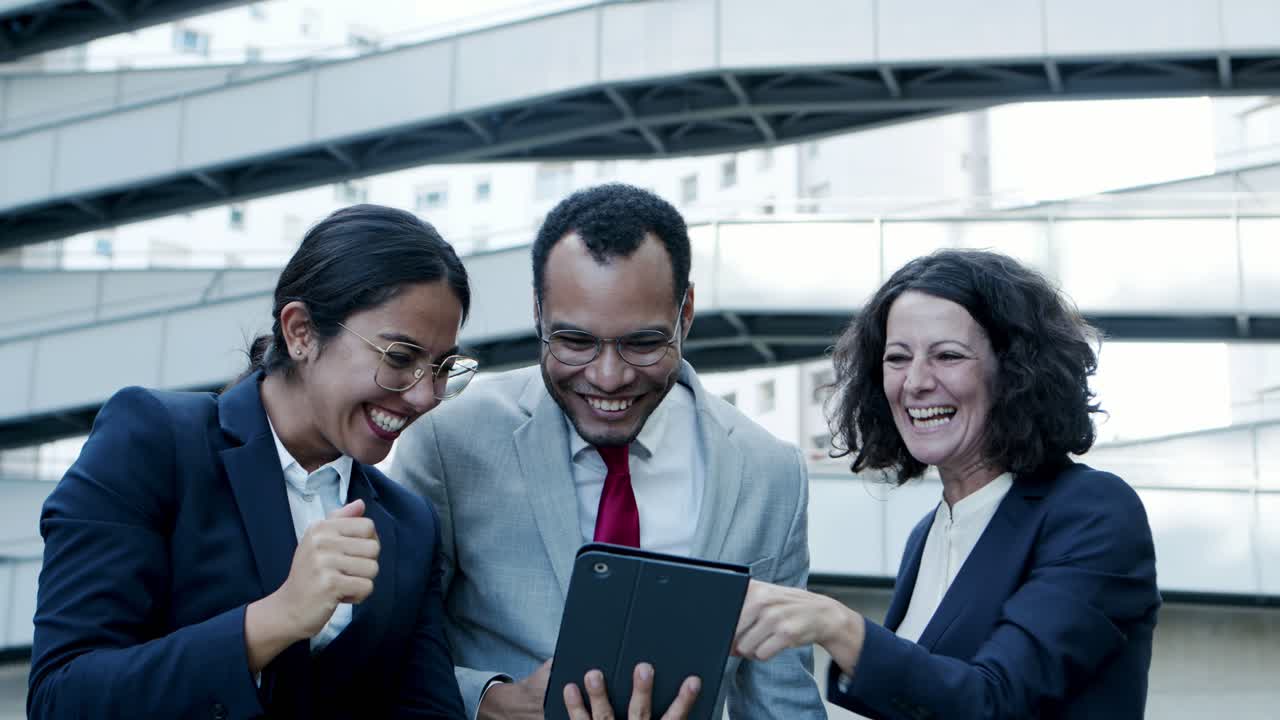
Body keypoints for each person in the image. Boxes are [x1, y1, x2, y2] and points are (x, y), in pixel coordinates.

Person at [28, 204, 479, 719]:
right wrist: (274, 619)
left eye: (442, 368)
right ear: (301, 331)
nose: (424, 397)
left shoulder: (409, 524)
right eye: (399, 357)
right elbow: (61, 698)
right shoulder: (154, 441)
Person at [394, 183, 826, 719]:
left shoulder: (770, 474)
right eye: (576, 342)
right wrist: (488, 702)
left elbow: (782, 703)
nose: (608, 377)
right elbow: (385, 652)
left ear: (686, 313)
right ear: (538, 313)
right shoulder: (448, 441)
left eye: (642, 343)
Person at [731, 249, 1162, 719]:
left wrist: (838, 626)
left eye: (948, 356)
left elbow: (994, 703)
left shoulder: (1093, 511)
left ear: (1015, 371)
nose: (915, 382)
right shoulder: (927, 534)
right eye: (897, 358)